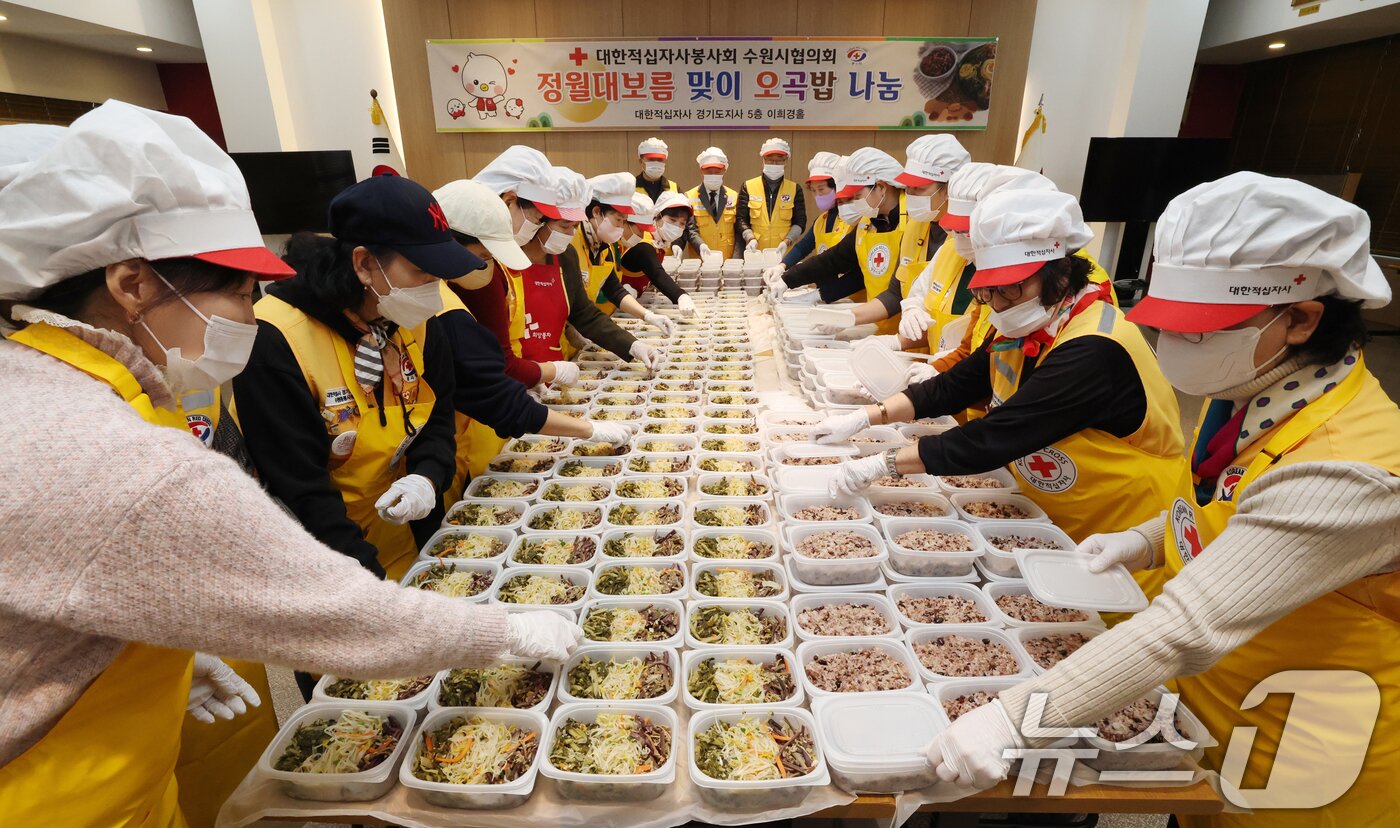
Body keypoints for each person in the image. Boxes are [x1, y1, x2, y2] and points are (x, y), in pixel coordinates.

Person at [0, 101, 580, 828]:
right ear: (132, 283)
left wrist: (90, 654)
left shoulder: (39, 382)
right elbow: (346, 613)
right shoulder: (115, 454)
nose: (252, 312)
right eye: (241, 293)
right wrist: (506, 633)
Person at [925, 173, 1399, 828]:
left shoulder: (1354, 470)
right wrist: (1147, 539)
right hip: (1218, 708)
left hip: (1302, 751)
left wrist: (1011, 721)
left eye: (1199, 332)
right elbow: (1231, 513)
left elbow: (1187, 625)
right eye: (1169, 327)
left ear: (1300, 318)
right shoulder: (1259, 400)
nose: (1174, 349)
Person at [814, 189, 1191, 572]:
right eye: (987, 291)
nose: (998, 304)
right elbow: (956, 385)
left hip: (1120, 534)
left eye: (1010, 289)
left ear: (1059, 273)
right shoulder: (1029, 320)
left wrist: (884, 463)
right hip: (1050, 518)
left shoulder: (1094, 347)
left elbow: (994, 437)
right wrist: (867, 417)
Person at [430, 178, 635, 496]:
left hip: (510, 401)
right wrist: (587, 427)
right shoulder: (449, 304)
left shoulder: (553, 259)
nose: (487, 264)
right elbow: (490, 386)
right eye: (553, 222)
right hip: (468, 426)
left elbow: (579, 310)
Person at [806, 136, 969, 338]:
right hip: (911, 344)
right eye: (907, 187)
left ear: (950, 186)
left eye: (918, 188)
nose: (909, 194)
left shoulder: (966, 243)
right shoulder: (916, 226)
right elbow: (895, 292)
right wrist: (848, 317)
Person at [507, 165, 662, 370]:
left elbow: (584, 313)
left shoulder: (565, 256)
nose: (570, 234)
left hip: (555, 367)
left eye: (574, 226)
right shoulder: (504, 256)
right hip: (512, 372)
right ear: (540, 219)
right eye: (564, 225)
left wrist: (631, 345)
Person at [770, 147, 907, 312]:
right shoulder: (869, 223)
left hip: (907, 326)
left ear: (881, 188)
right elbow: (834, 259)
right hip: (878, 319)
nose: (854, 203)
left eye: (856, 196)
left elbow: (867, 279)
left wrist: (822, 295)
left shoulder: (912, 222)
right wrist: (787, 279)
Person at [574, 172, 676, 334]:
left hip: (595, 325)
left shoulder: (604, 245)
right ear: (596, 212)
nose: (621, 228)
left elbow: (614, 289)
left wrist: (647, 315)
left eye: (624, 221)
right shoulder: (572, 241)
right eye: (618, 220)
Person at [765, 151, 850, 278]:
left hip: (850, 293)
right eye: (813, 190)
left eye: (821, 189)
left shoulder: (850, 219)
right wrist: (782, 265)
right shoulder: (821, 221)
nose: (817, 195)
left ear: (837, 186)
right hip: (827, 289)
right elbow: (803, 247)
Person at [615, 190, 699, 318]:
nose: (676, 227)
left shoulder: (660, 241)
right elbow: (656, 273)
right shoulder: (644, 244)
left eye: (682, 223)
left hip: (635, 302)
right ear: (658, 216)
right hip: (619, 306)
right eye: (672, 220)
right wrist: (680, 296)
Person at [736, 137, 805, 255]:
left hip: (783, 252)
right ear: (763, 160)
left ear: (786, 161)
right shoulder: (748, 186)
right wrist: (750, 238)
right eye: (770, 160)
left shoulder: (794, 189)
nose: (774, 164)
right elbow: (741, 219)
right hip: (755, 252)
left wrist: (788, 241)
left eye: (779, 161)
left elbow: (800, 221)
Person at [684, 146, 737, 259]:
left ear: (725, 170)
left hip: (728, 261)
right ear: (701, 170)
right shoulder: (689, 196)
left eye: (717, 171)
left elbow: (738, 231)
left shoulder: (734, 196)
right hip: (700, 260)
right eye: (708, 171)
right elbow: (689, 229)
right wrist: (700, 245)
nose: (713, 175)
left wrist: (736, 258)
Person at [633, 135, 677, 201]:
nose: (656, 163)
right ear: (640, 161)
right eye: (651, 159)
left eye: (660, 159)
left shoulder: (675, 188)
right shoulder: (631, 188)